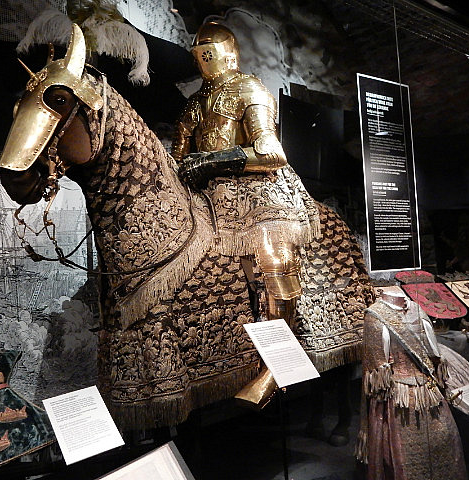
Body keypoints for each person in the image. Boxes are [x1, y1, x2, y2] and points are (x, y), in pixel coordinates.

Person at [171, 21, 320, 407]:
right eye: (199, 54)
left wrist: (213, 160)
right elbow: (178, 155)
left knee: (273, 253)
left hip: (256, 187)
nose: (204, 59)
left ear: (227, 53)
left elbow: (271, 152)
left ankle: (278, 363)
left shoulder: (248, 88)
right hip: (206, 192)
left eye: (209, 52)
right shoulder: (194, 103)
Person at [356, 288, 468, 480]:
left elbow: (433, 355)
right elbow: (378, 370)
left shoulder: (416, 309)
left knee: (442, 438)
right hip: (399, 394)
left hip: (424, 391)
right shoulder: (375, 315)